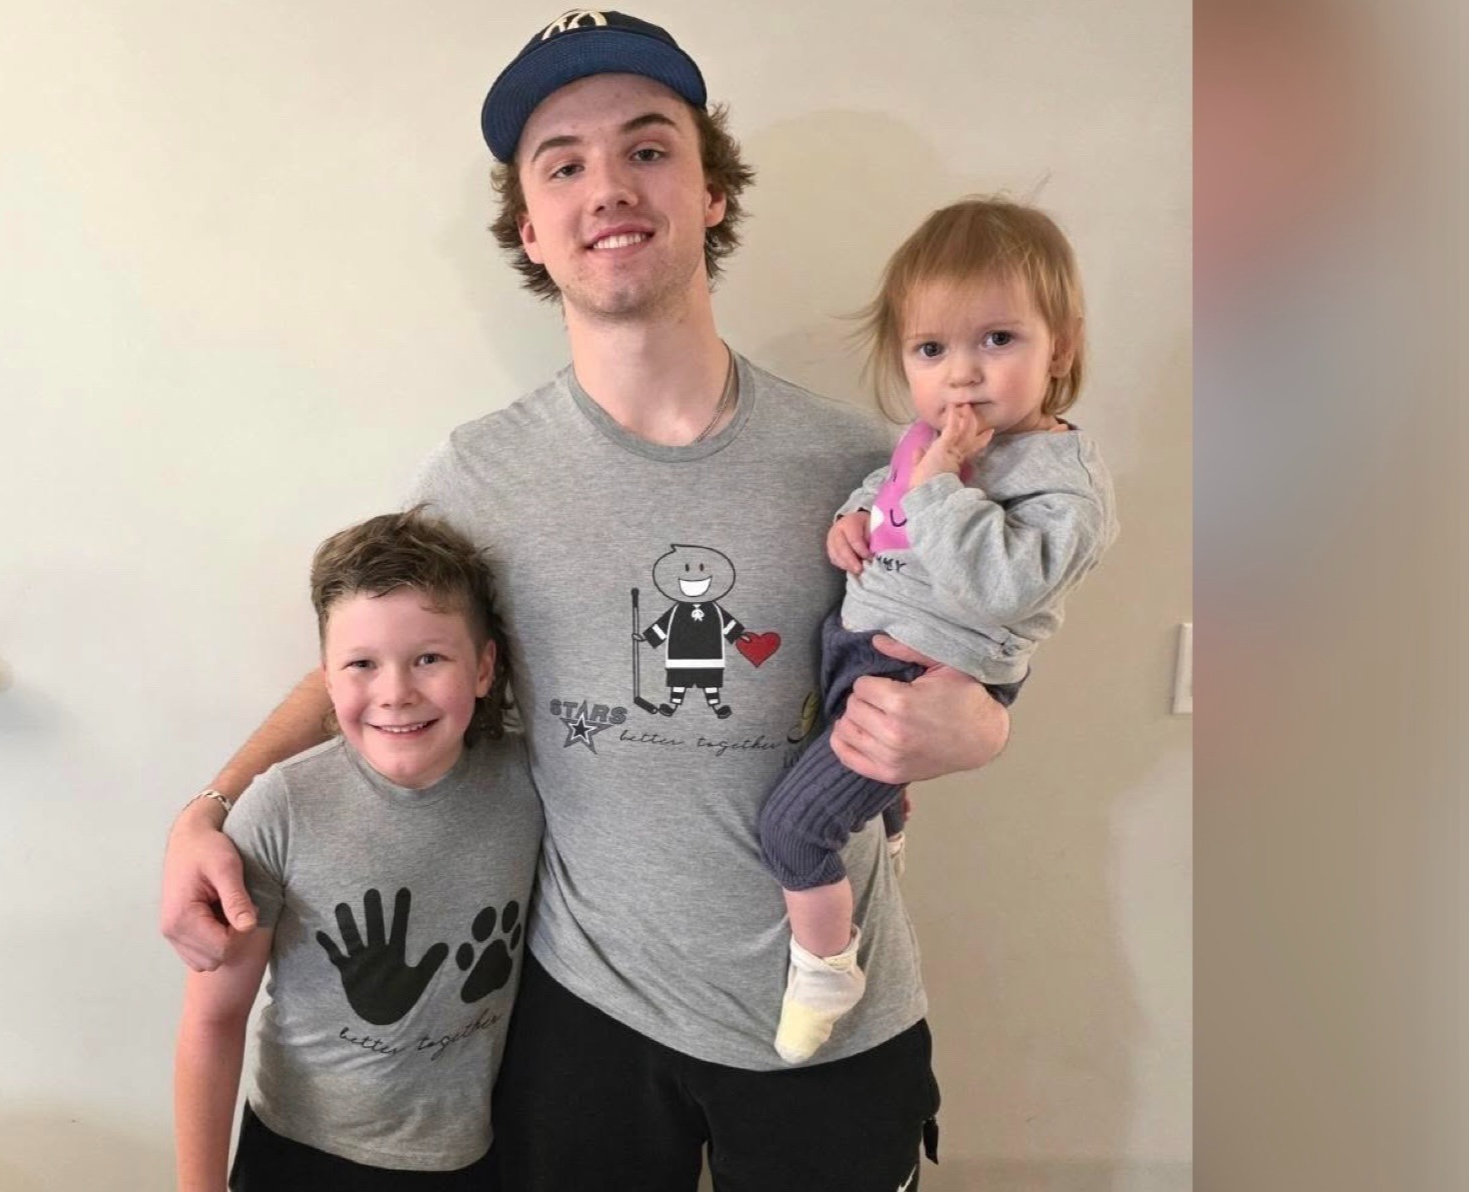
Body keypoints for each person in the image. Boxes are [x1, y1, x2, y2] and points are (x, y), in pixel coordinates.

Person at [162, 12, 1011, 1190]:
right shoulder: (482, 474)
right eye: (562, 162)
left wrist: (990, 725)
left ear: (713, 190)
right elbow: (373, 662)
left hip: (835, 1007)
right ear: (530, 228)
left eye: (649, 147)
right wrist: (210, 807)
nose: (607, 184)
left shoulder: (859, 464)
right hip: (586, 1022)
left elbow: (978, 632)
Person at [759, 198, 1119, 1064]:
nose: (961, 376)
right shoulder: (926, 442)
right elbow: (887, 500)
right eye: (932, 350)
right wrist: (854, 520)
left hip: (928, 677)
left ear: (1060, 346)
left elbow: (999, 584)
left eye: (997, 340)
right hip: (862, 652)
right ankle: (892, 818)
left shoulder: (1066, 489)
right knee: (849, 789)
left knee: (791, 830)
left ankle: (826, 968)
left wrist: (938, 483)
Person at [171, 510, 541, 1192]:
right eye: (362, 664)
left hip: (472, 1153)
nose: (396, 692)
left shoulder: (528, 783)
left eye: (429, 658)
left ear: (485, 667)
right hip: (300, 1154)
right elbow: (213, 1018)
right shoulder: (281, 808)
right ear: (328, 679)